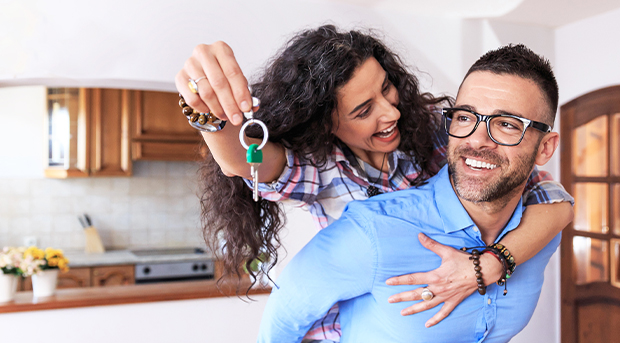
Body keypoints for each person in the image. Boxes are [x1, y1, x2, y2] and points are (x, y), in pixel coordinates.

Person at [175, 25, 573, 340]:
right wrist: (204, 109)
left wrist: (486, 265)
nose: (391, 113)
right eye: (364, 110)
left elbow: (551, 199)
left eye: (387, 88)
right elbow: (243, 163)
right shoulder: (322, 169)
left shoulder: (440, 130)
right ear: (325, 122)